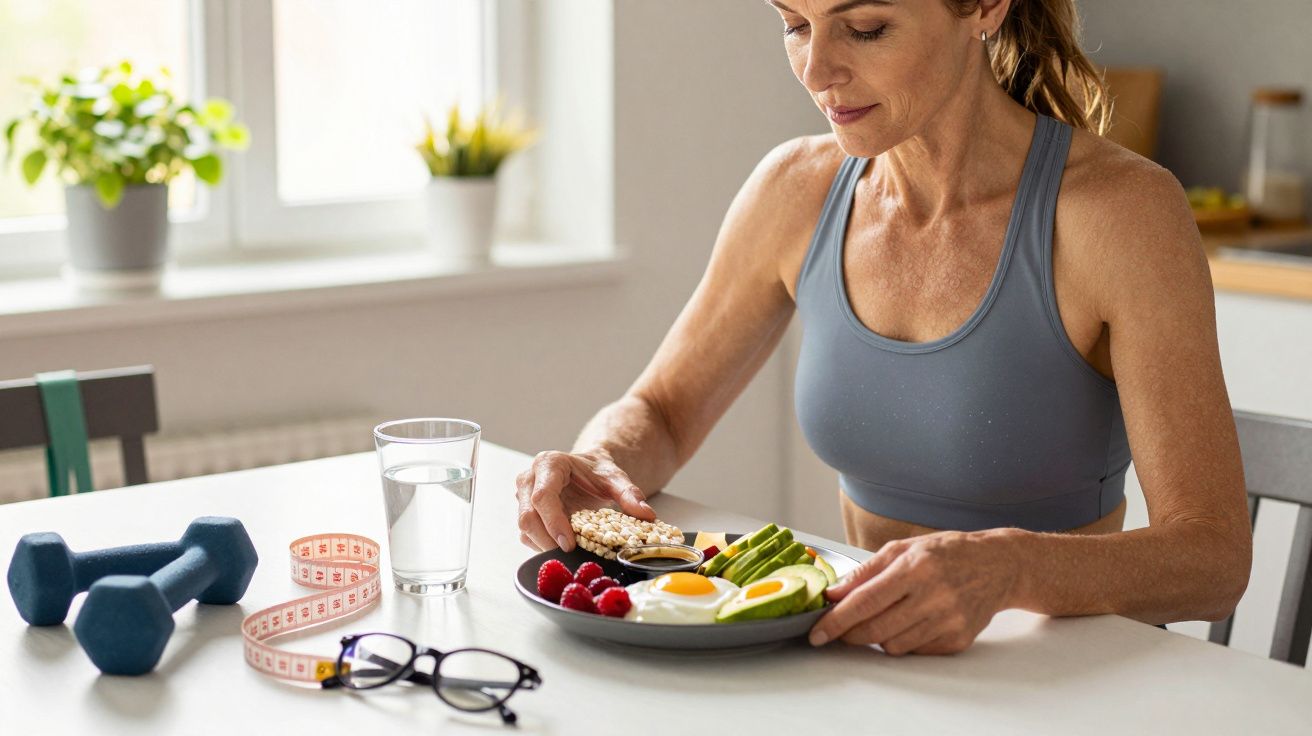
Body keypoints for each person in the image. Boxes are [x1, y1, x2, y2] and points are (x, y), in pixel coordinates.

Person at [514, 0, 1252, 655]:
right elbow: (663, 412)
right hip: (870, 665)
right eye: (794, 25)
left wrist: (1009, 569)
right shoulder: (794, 190)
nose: (816, 70)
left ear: (985, 7)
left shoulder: (1120, 214)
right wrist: (601, 459)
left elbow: (1214, 559)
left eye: (865, 28)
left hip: (1068, 677)